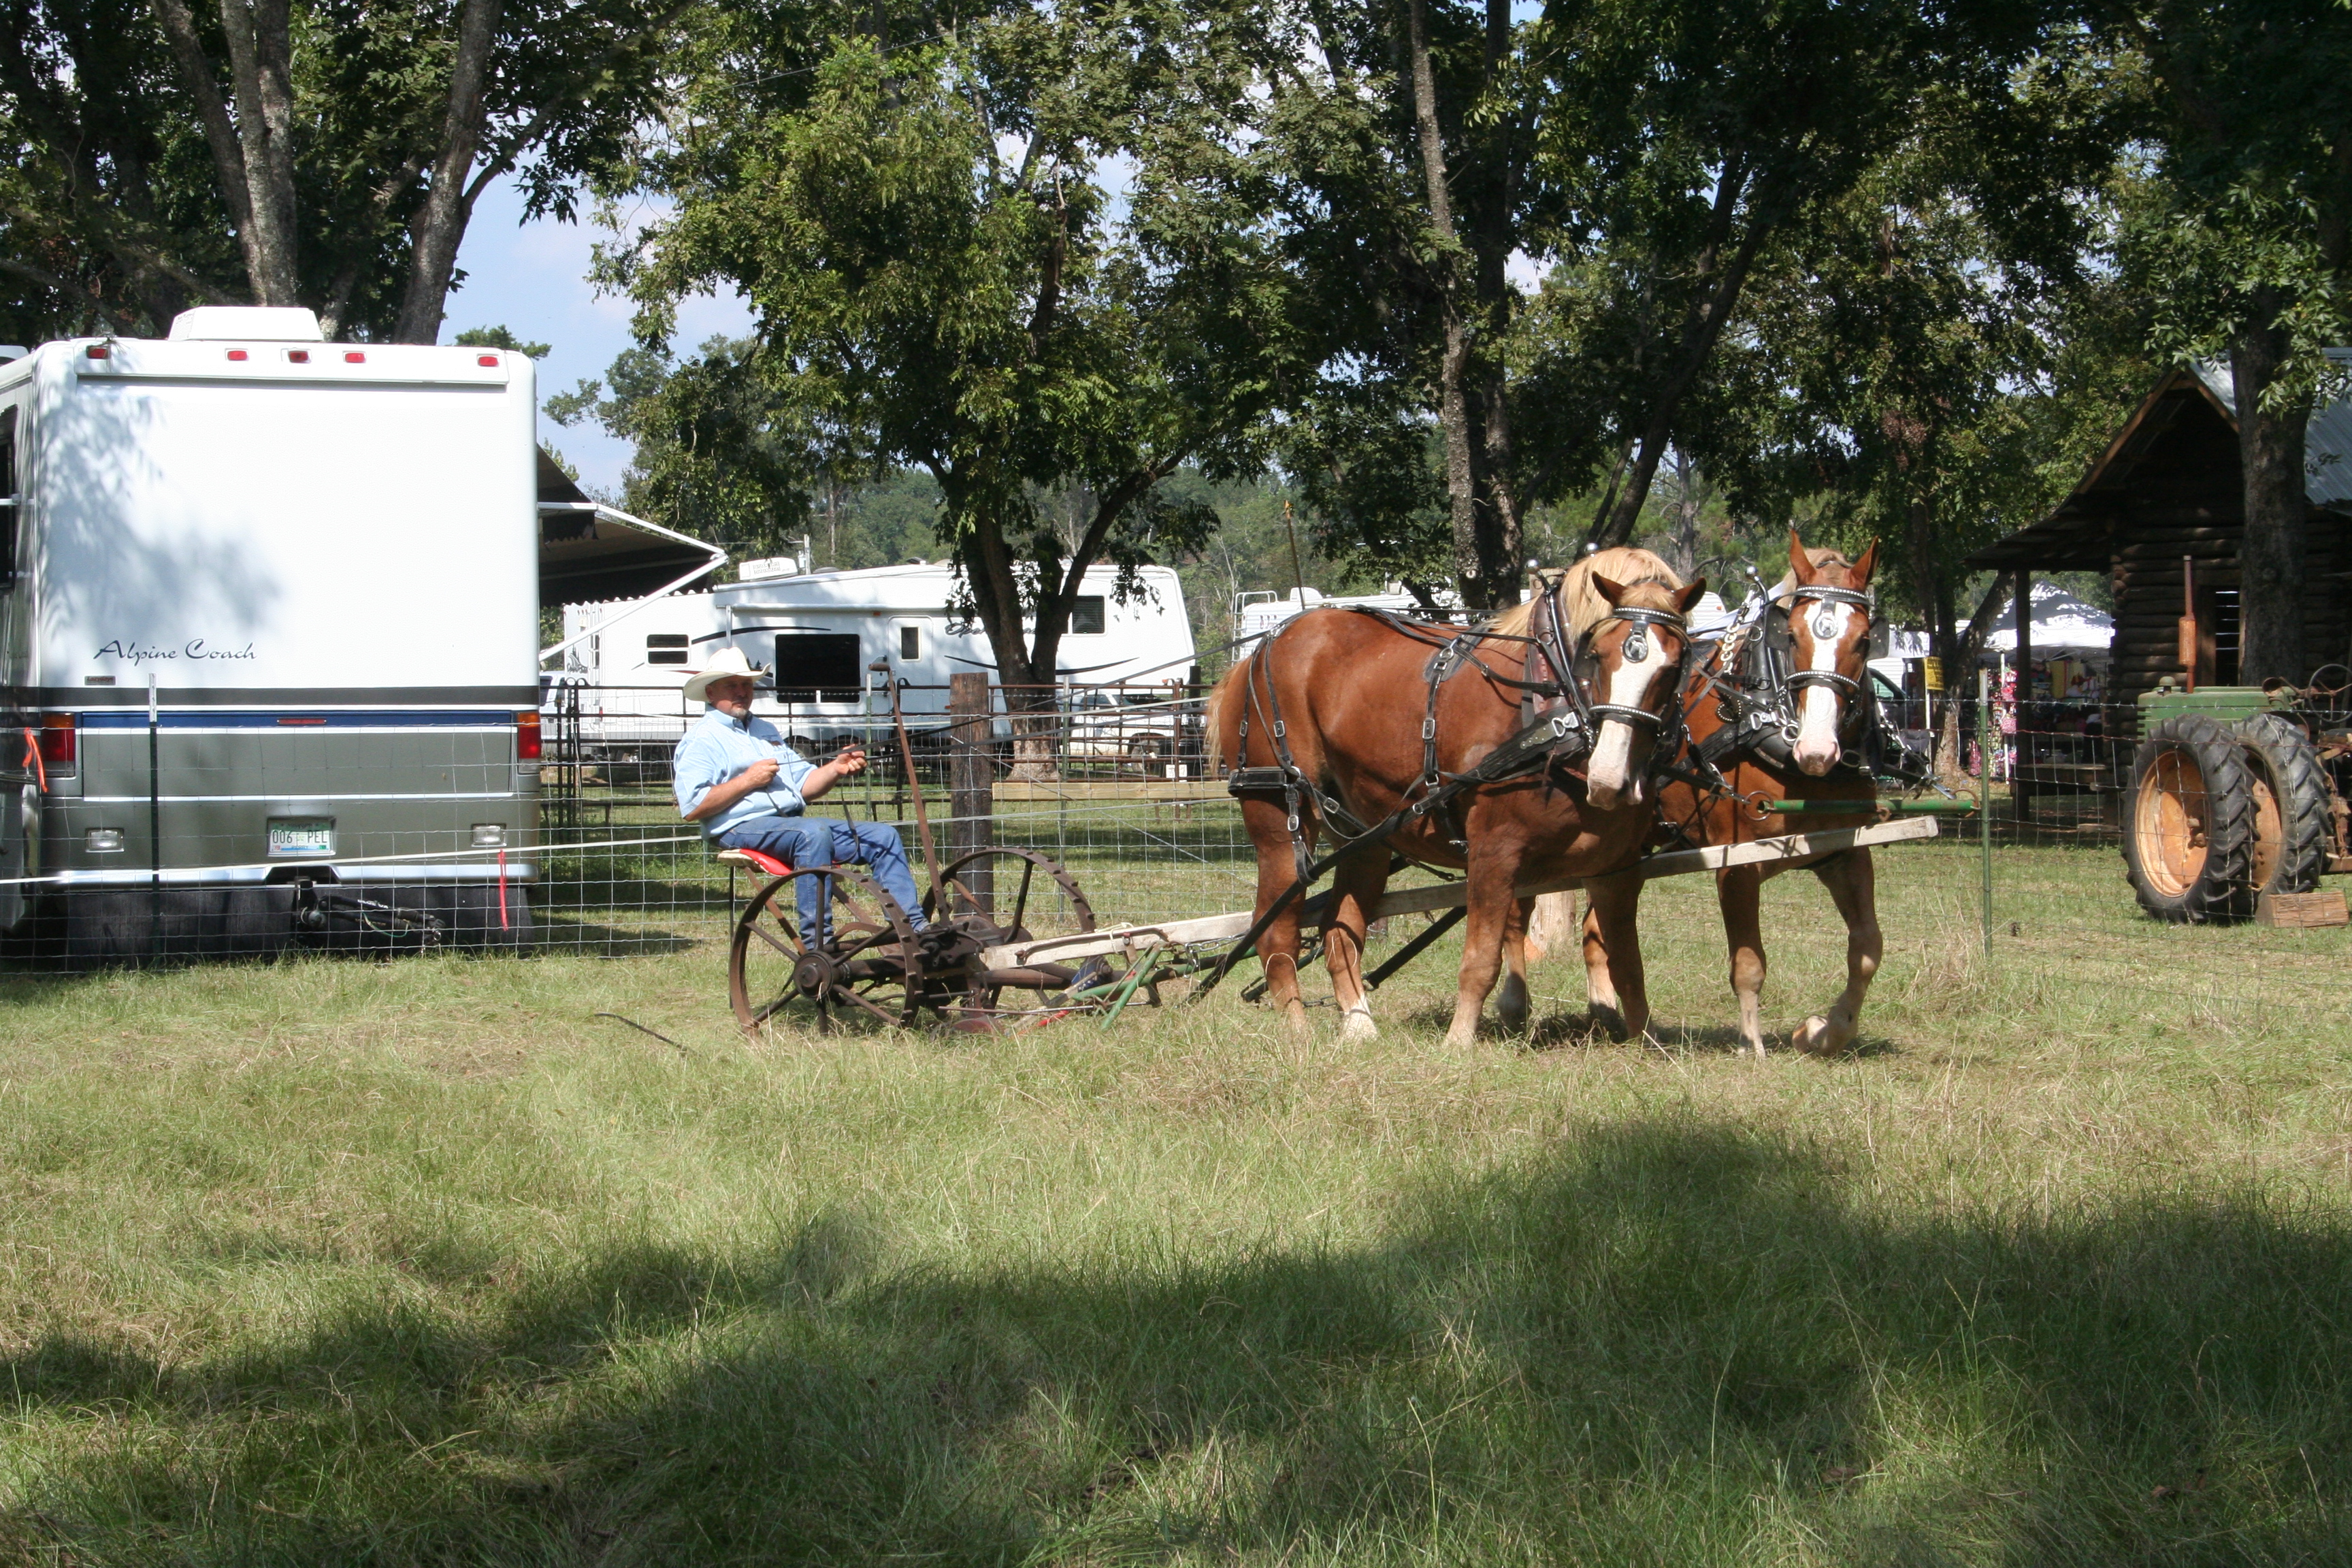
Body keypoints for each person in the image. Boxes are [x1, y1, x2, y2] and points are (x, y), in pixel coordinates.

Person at [672, 647, 928, 934]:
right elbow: (693, 807)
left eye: (746, 684)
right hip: (736, 828)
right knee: (811, 833)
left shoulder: (763, 730)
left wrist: (835, 768)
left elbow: (804, 786)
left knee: (883, 836)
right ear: (710, 693)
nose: (741, 691)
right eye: (731, 685)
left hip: (786, 827)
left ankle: (911, 930)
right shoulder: (701, 739)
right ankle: (817, 941)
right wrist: (747, 781)